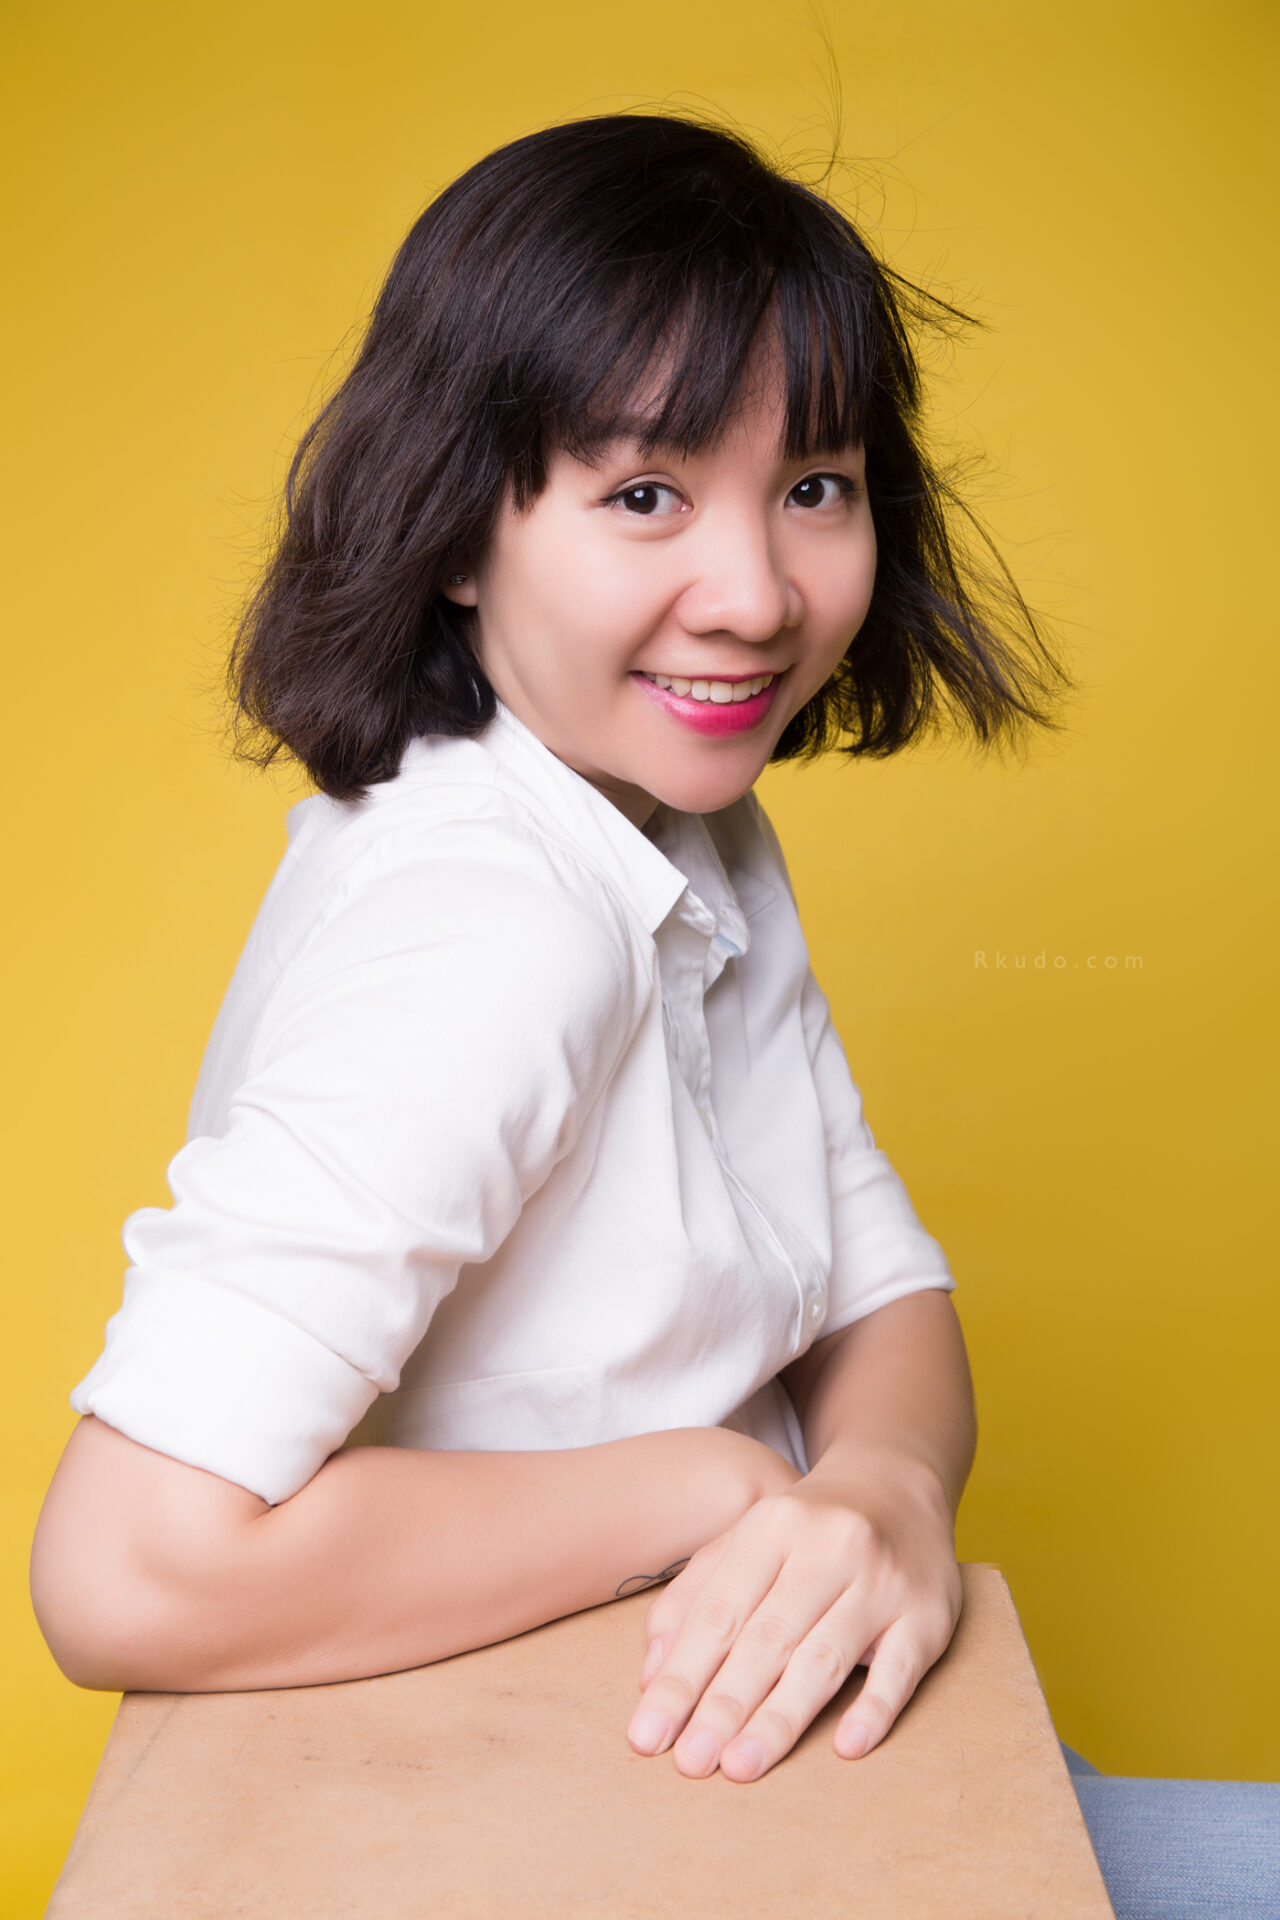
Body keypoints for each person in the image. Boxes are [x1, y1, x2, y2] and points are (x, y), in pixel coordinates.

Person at [35, 109, 1276, 1914]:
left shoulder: (681, 827)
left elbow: (884, 1299)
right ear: (459, 528)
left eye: (816, 486)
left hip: (796, 1771)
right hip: (546, 1821)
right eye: (644, 496)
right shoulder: (494, 917)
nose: (758, 596)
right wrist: (706, 1487)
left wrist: (881, 1496)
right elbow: (128, 1569)